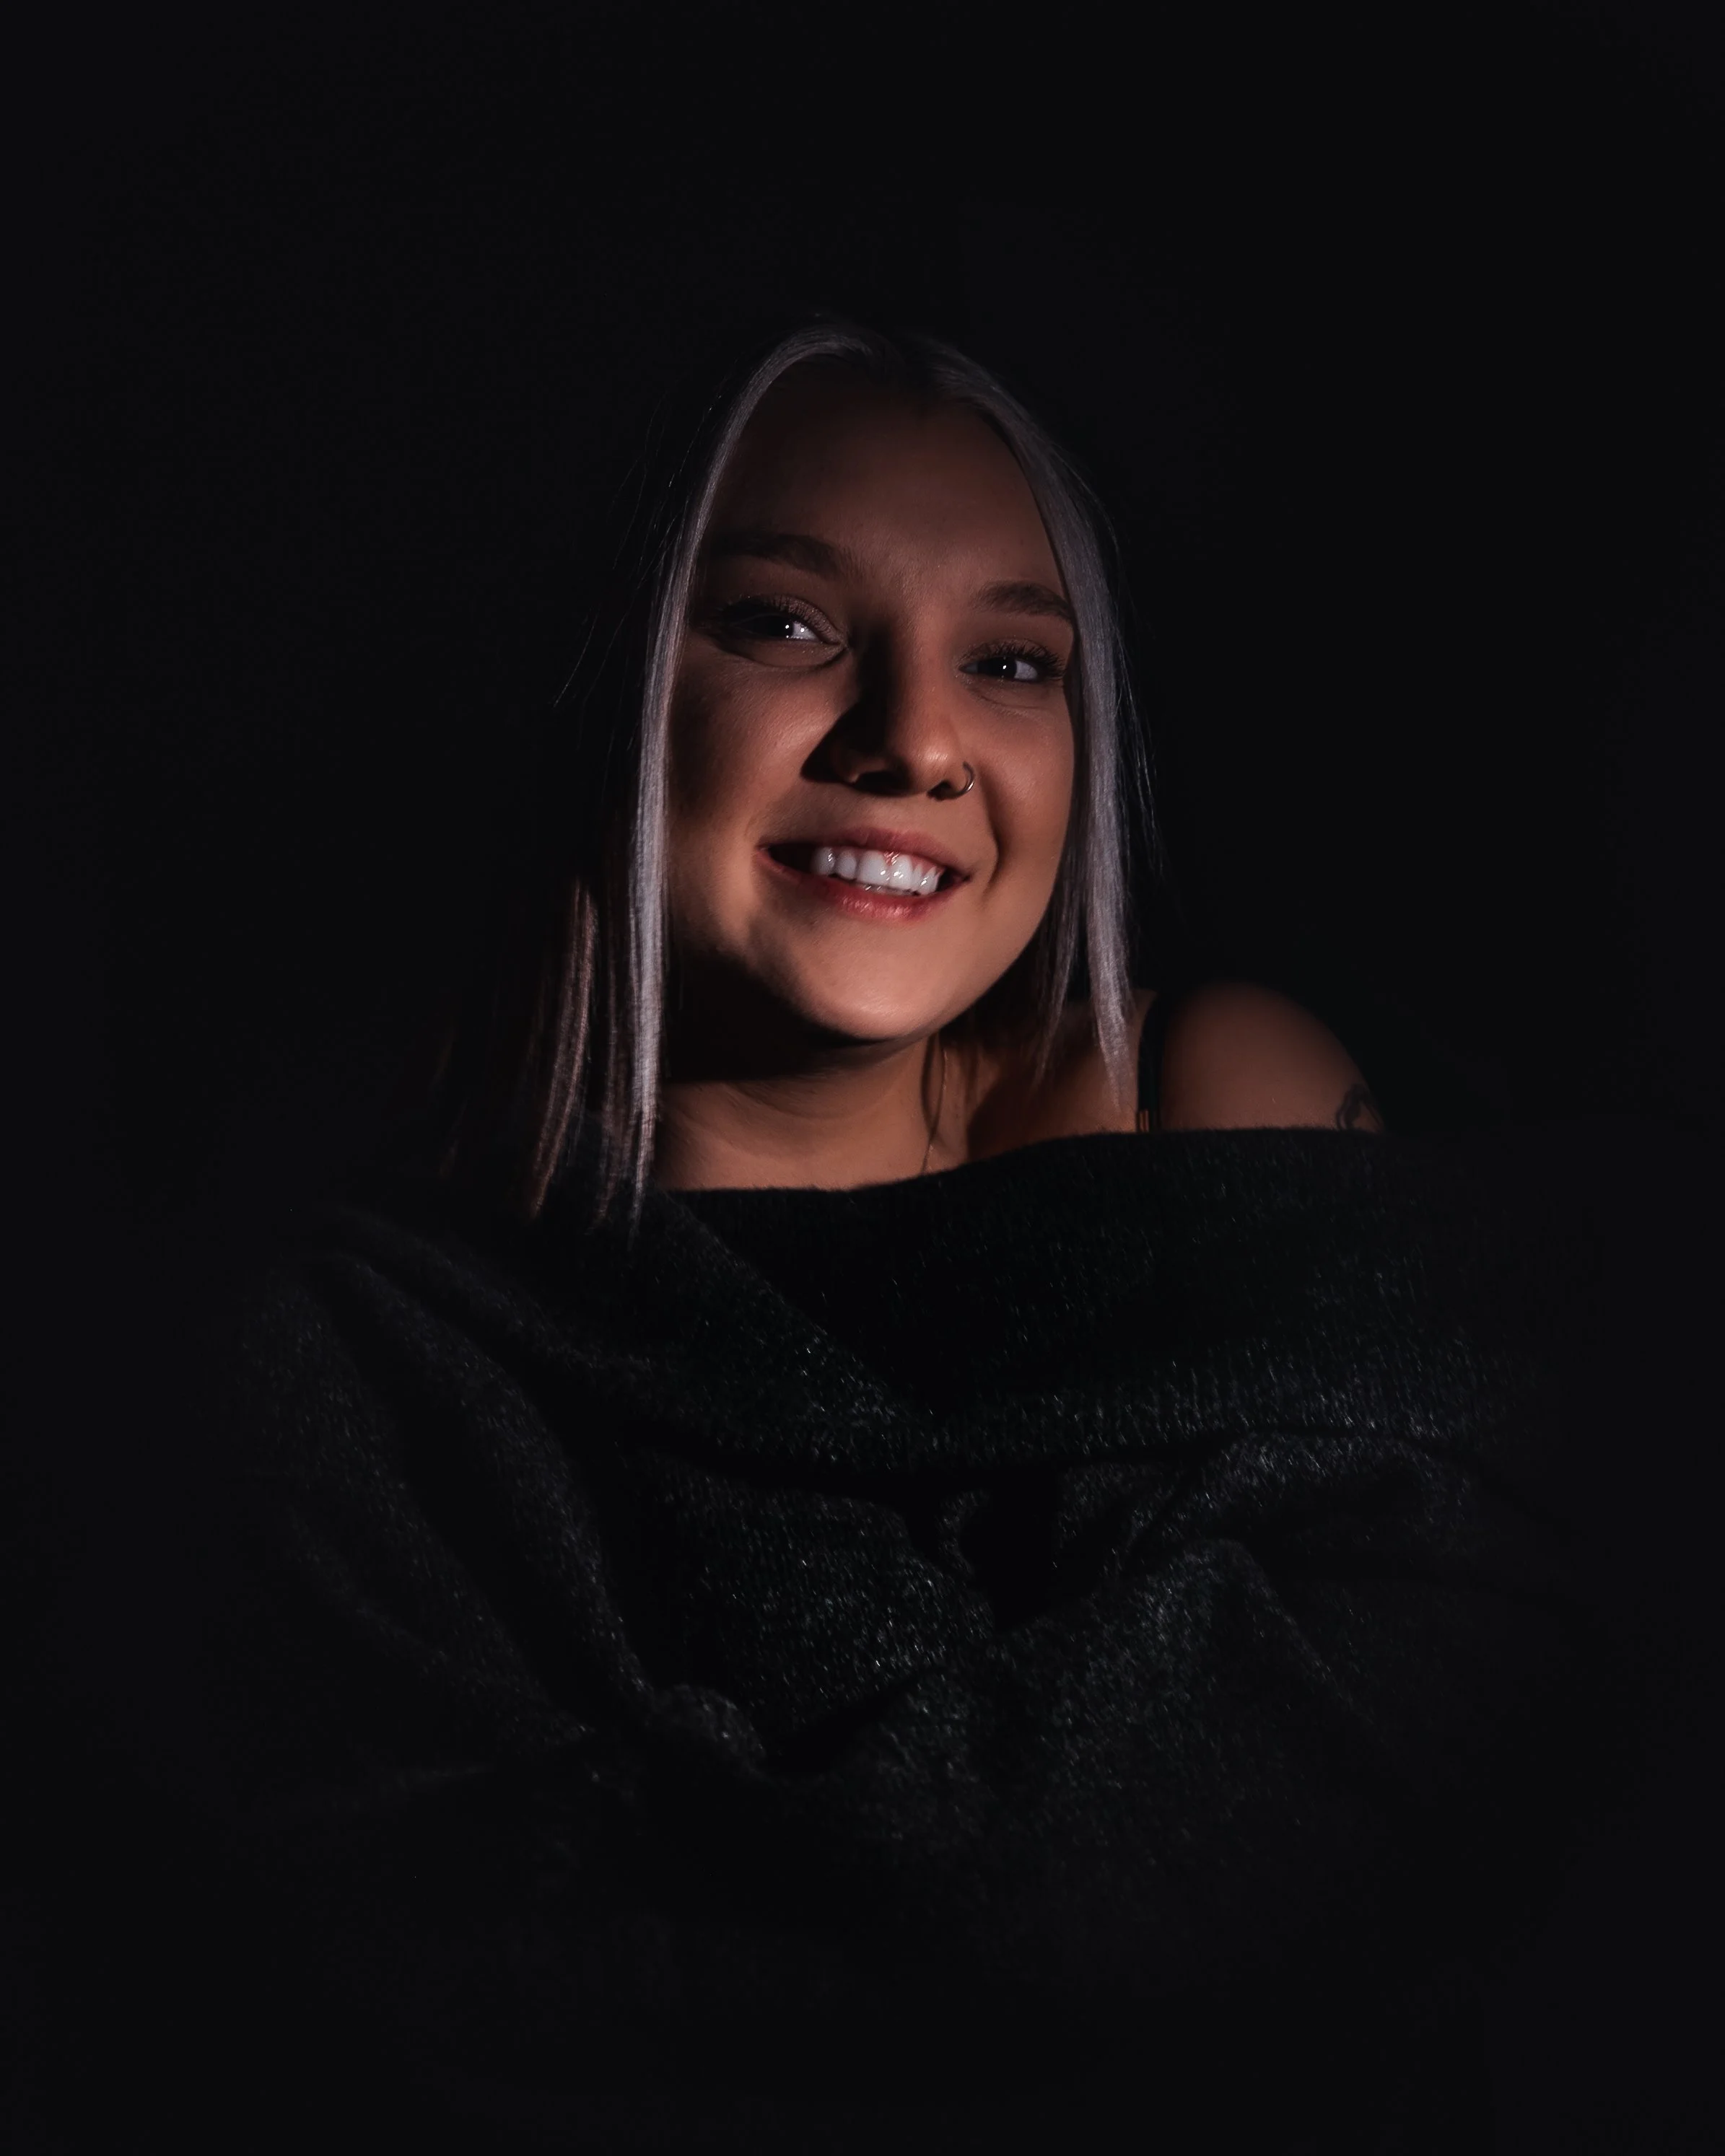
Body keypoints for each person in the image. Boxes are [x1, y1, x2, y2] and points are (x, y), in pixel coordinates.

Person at [97, 322, 1615, 2155]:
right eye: (780, 625)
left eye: (1011, 661)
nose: (912, 743)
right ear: (600, 677)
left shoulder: (1215, 1097)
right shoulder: (353, 1350)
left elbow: (1483, 1713)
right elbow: (429, 1987)